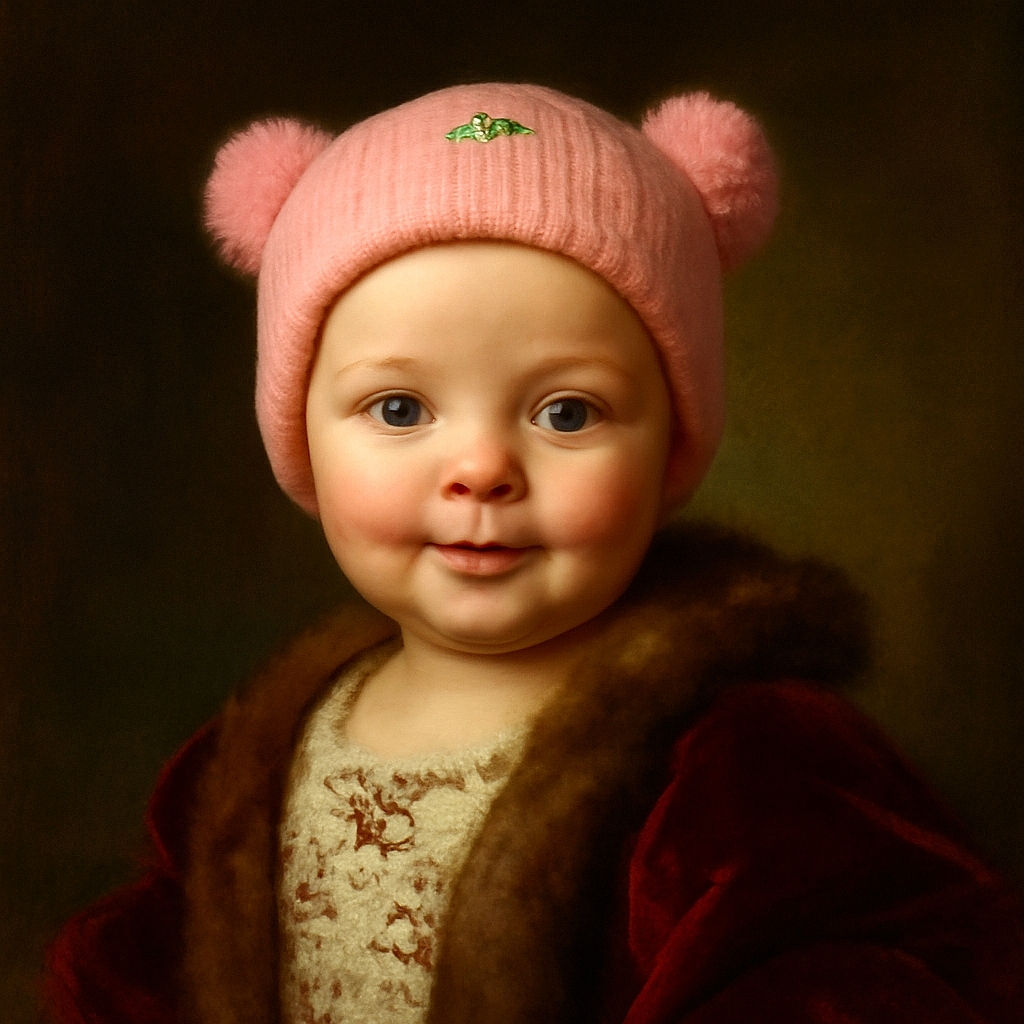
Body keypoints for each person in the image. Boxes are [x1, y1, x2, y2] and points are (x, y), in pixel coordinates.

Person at [45, 82, 1024, 1024]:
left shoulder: (745, 761)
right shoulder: (244, 759)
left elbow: (908, 964)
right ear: (301, 439)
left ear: (669, 450)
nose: (480, 469)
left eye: (566, 412)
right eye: (398, 408)